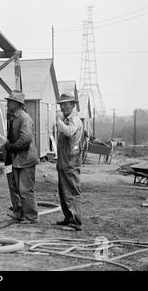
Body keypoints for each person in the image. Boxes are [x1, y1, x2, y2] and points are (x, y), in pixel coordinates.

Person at [4, 90, 40, 223]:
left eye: (10, 101)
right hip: (17, 160)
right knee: (16, 188)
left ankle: (31, 217)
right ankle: (19, 213)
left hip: (26, 159)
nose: (8, 103)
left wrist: (11, 146)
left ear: (17, 104)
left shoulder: (25, 118)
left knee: (25, 189)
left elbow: (25, 139)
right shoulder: (13, 117)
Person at [56, 93, 84, 231]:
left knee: (71, 191)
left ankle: (75, 222)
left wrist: (58, 121)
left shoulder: (74, 120)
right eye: (61, 104)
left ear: (73, 105)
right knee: (64, 192)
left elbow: (69, 132)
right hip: (64, 161)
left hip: (71, 161)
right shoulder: (67, 119)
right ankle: (68, 218)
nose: (62, 107)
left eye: (65, 104)